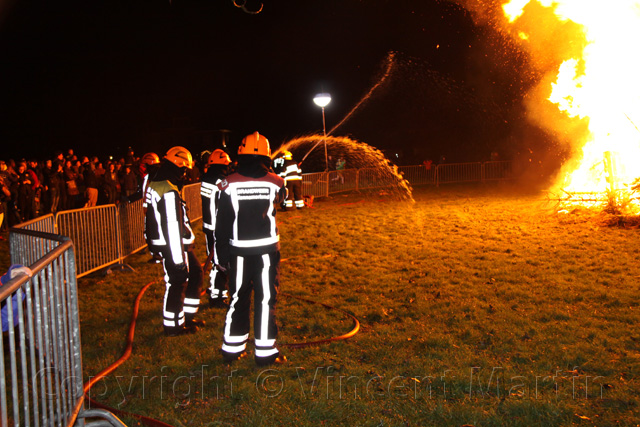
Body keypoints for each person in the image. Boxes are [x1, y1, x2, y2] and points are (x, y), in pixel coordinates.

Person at [215, 131, 287, 366]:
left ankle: (232, 348)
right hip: (267, 251)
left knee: (237, 297)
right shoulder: (275, 182)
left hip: (238, 253)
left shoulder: (227, 184)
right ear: (266, 155)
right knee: (266, 298)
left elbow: (222, 223)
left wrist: (221, 255)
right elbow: (281, 200)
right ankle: (265, 352)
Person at [145, 146, 204, 337]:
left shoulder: (158, 181)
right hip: (173, 245)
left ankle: (185, 317)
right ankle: (173, 326)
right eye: (184, 169)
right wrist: (178, 262)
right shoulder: (168, 190)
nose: (185, 173)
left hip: (173, 243)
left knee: (195, 272)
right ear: (178, 165)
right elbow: (171, 227)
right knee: (177, 281)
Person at [200, 149, 231, 308]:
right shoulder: (221, 180)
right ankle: (216, 297)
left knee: (216, 262)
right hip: (218, 228)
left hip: (209, 227)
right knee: (221, 263)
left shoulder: (208, 177)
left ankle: (218, 293)